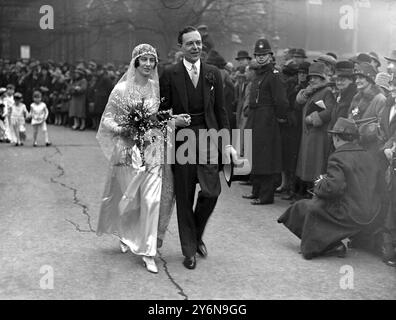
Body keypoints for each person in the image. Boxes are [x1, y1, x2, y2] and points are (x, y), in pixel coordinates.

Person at [159, 26, 237, 270]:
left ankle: (196, 232)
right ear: (181, 48)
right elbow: (161, 113)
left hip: (208, 139)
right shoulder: (170, 73)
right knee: (184, 196)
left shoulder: (213, 73)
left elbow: (221, 112)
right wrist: (173, 120)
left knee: (211, 191)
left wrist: (228, 144)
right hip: (181, 140)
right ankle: (189, 250)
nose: (195, 47)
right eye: (190, 43)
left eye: (198, 42)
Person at [96, 44, 174, 274]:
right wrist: (122, 129)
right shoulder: (121, 89)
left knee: (152, 200)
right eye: (144, 60)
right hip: (127, 150)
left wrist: (167, 124)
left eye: (152, 60)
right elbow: (107, 119)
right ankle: (126, 233)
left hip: (152, 149)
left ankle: (148, 251)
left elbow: (159, 119)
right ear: (136, 62)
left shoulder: (156, 90)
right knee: (130, 199)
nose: (149, 64)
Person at [278, 117, 386, 260]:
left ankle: (328, 246)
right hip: (372, 213)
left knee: (304, 207)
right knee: (315, 206)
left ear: (336, 137)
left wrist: (320, 182)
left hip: (350, 213)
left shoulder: (338, 157)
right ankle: (332, 242)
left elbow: (333, 189)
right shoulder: (369, 156)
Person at [242, 38, 288, 205]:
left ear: (270, 56)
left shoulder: (274, 75)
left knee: (265, 156)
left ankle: (266, 195)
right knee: (254, 153)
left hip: (267, 118)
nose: (261, 57)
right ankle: (256, 190)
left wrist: (277, 117)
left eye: (264, 55)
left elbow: (281, 101)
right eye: (258, 55)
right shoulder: (258, 74)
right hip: (255, 117)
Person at [295, 62, 336, 199]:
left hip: (319, 135)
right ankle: (308, 194)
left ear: (322, 78)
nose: (312, 79)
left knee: (316, 165)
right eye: (311, 77)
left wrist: (313, 118)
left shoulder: (327, 92)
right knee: (309, 165)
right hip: (309, 134)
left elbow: (330, 111)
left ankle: (315, 196)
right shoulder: (311, 91)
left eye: (316, 77)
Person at [379, 85, 396, 267]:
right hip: (389, 160)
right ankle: (388, 249)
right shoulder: (388, 105)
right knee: (391, 204)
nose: (393, 89)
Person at [329, 61, 357, 130]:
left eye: (342, 80)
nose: (339, 82)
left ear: (351, 80)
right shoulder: (340, 94)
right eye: (337, 80)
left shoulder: (353, 95)